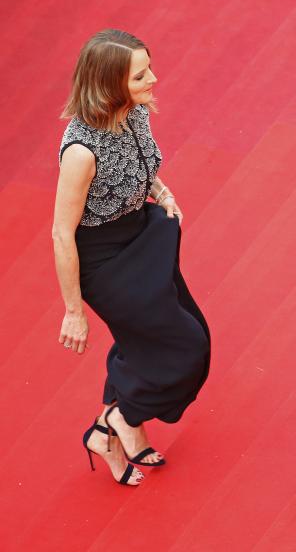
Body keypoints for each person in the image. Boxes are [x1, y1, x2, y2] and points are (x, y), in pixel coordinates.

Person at [53, 29, 211, 486]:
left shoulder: (134, 111)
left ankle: (116, 432)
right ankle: (118, 419)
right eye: (141, 75)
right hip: (105, 261)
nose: (154, 79)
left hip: (143, 236)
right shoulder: (81, 152)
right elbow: (63, 234)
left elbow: (143, 166)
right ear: (108, 84)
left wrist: (160, 190)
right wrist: (73, 311)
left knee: (152, 339)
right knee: (186, 347)